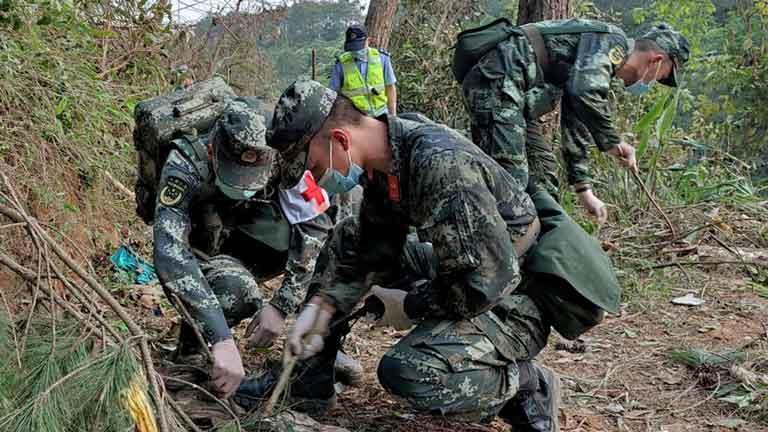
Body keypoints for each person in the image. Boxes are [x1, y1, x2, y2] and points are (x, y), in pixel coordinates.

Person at [261, 79, 621, 431]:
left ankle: (528, 384)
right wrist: (323, 306)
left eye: (315, 167)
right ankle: (309, 382)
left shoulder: (440, 165)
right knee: (349, 237)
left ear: (340, 140)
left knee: (409, 370)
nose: (315, 177)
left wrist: (410, 305)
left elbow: (486, 282)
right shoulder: (386, 157)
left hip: (519, 294)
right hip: (470, 265)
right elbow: (373, 247)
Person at [152, 99, 361, 399]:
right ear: (213, 151)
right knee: (235, 289)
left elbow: (314, 228)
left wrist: (281, 306)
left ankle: (315, 358)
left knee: (340, 234)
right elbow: (170, 252)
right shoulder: (185, 162)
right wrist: (221, 337)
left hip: (251, 235)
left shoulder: (283, 153)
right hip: (203, 246)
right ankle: (193, 345)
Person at [458, 21, 689, 223]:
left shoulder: (598, 65)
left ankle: (543, 250)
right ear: (656, 60)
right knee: (510, 185)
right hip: (497, 84)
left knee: (543, 176)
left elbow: (575, 118)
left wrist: (584, 190)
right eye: (661, 76)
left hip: (511, 97)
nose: (653, 82)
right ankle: (486, 254)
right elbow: (584, 92)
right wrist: (614, 142)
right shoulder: (612, 41)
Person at [329, 24, 397, 116]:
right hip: (355, 119)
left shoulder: (382, 58)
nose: (356, 50)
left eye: (359, 46)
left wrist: (393, 116)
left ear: (368, 40)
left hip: (381, 115)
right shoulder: (341, 64)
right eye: (353, 47)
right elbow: (333, 94)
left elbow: (390, 88)